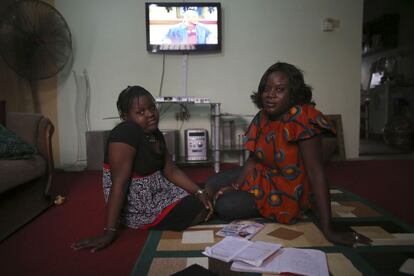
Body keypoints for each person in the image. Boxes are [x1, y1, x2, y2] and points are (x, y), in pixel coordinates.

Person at [208, 62, 371, 247]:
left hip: (286, 191)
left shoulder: (302, 118)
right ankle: (208, 195)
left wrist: (328, 229)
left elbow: (316, 173)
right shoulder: (263, 116)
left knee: (226, 206)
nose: (270, 95)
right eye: (267, 89)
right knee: (215, 180)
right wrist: (236, 186)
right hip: (263, 175)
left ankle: (210, 200)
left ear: (293, 93)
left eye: (280, 89)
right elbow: (253, 160)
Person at [72, 86, 213, 252]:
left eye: (152, 108)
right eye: (140, 112)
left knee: (206, 189)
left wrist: (199, 192)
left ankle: (204, 199)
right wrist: (109, 232)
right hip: (141, 206)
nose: (150, 114)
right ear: (126, 116)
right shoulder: (125, 132)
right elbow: (119, 184)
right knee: (203, 206)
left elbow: (171, 171)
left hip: (159, 190)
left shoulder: (155, 133)